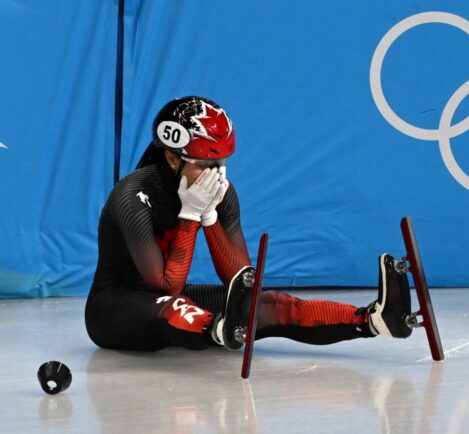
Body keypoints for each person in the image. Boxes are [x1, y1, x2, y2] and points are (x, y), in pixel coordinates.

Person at [85, 96, 414, 351]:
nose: (216, 174)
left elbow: (239, 281)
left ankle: (372, 320)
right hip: (112, 311)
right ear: (172, 158)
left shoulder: (217, 191)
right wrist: (189, 216)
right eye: (205, 164)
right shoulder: (132, 195)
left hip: (167, 300)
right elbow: (164, 286)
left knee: (261, 303)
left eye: (221, 163)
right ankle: (216, 331)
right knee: (176, 305)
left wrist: (209, 217)